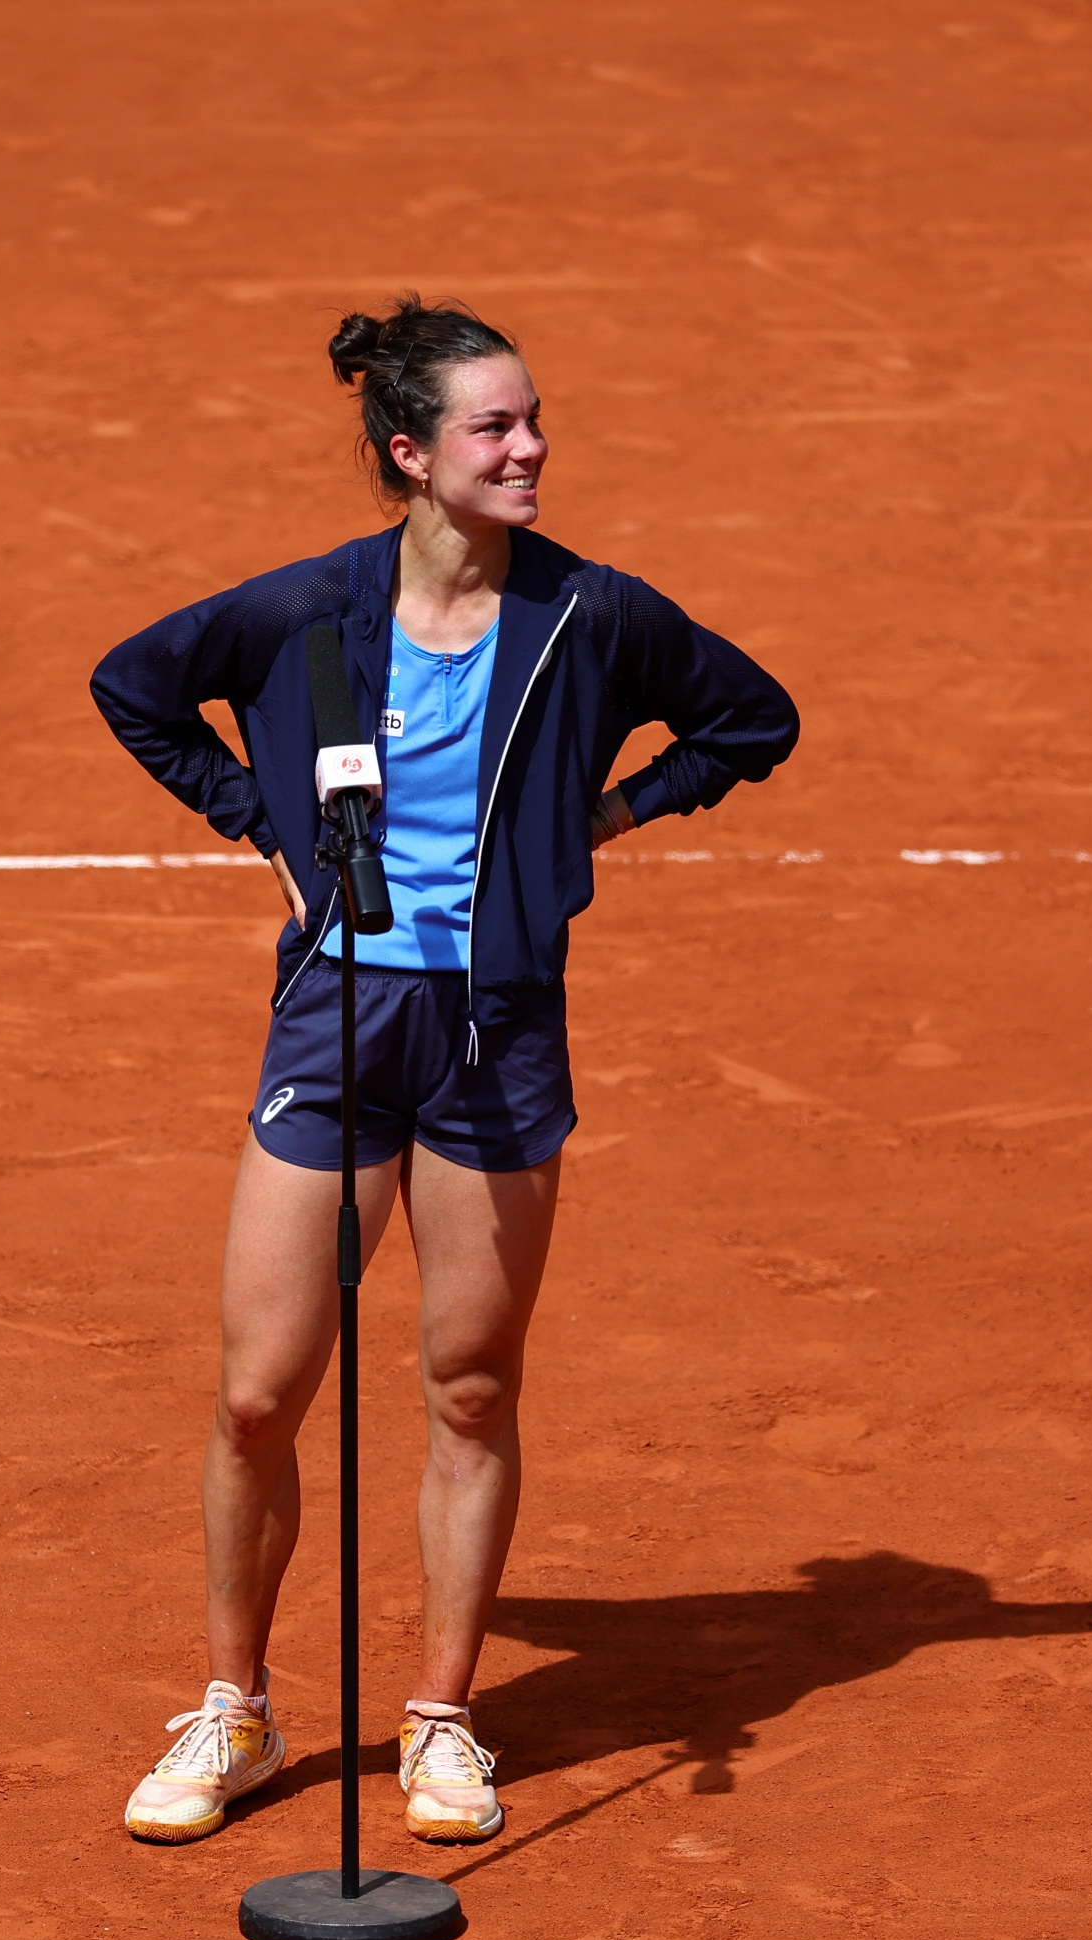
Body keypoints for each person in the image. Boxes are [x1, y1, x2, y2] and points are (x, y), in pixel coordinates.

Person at [91, 297, 799, 1845]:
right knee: (258, 1395)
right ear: (410, 454)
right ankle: (236, 1710)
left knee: (470, 1388)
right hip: (338, 1021)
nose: (531, 447)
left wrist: (597, 825)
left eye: (534, 419)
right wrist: (259, 824)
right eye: (495, 427)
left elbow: (754, 719)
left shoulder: (587, 617)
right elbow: (134, 684)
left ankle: (442, 1721)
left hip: (498, 1033)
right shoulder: (306, 614)